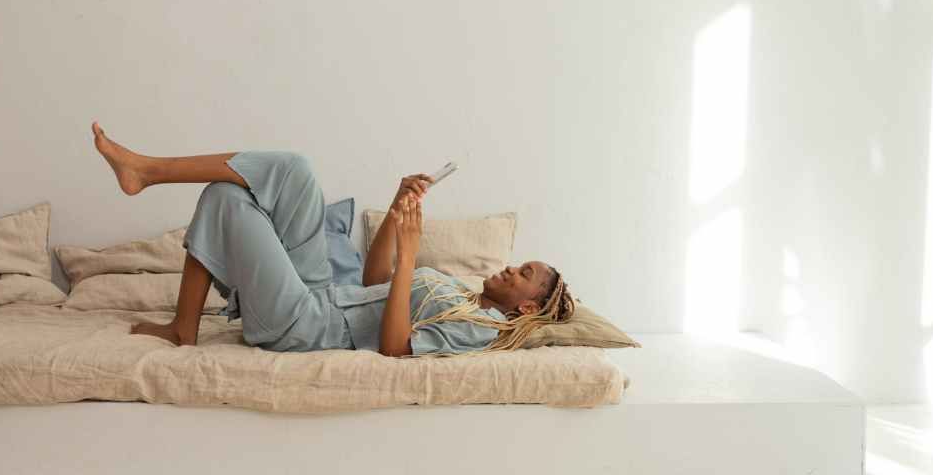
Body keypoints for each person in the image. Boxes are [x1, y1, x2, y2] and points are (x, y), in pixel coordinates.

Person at [90, 121, 576, 358]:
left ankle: (182, 325)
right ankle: (148, 171)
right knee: (285, 170)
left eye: (523, 274)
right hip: (321, 288)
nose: (512, 268)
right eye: (520, 264)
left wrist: (410, 257)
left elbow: (394, 349)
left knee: (227, 200)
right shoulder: (457, 290)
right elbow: (374, 279)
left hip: (306, 324)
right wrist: (397, 207)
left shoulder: (480, 329)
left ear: (527, 309)